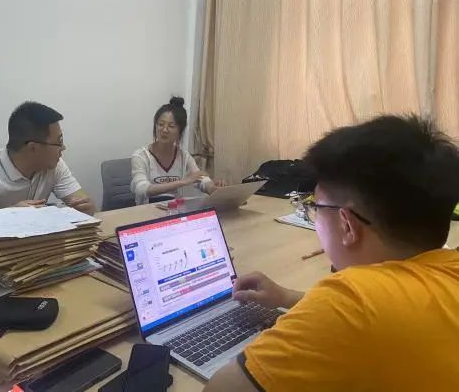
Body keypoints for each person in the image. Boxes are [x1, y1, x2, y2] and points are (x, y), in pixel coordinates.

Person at [204, 115, 459, 392]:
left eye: (315, 207)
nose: (314, 216)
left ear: (347, 224)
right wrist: (287, 298)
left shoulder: (350, 303)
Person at [0, 102, 95, 236]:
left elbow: (85, 205)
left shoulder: (54, 166)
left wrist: (86, 207)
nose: (63, 148)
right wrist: (9, 215)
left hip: (34, 250)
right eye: (59, 142)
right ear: (33, 148)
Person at [131, 97, 225, 205]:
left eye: (171, 126)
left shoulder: (184, 157)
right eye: (161, 124)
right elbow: (141, 189)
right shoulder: (140, 156)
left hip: (175, 210)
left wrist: (213, 188)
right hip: (147, 211)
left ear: (180, 131)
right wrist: (183, 182)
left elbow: (200, 178)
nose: (164, 130)